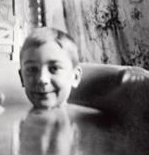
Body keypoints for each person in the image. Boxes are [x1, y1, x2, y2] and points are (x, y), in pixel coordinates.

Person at [18, 27, 149, 120]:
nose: (42, 79)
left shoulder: (85, 119)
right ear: (21, 78)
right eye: (32, 69)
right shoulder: (17, 118)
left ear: (75, 77)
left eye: (54, 68)